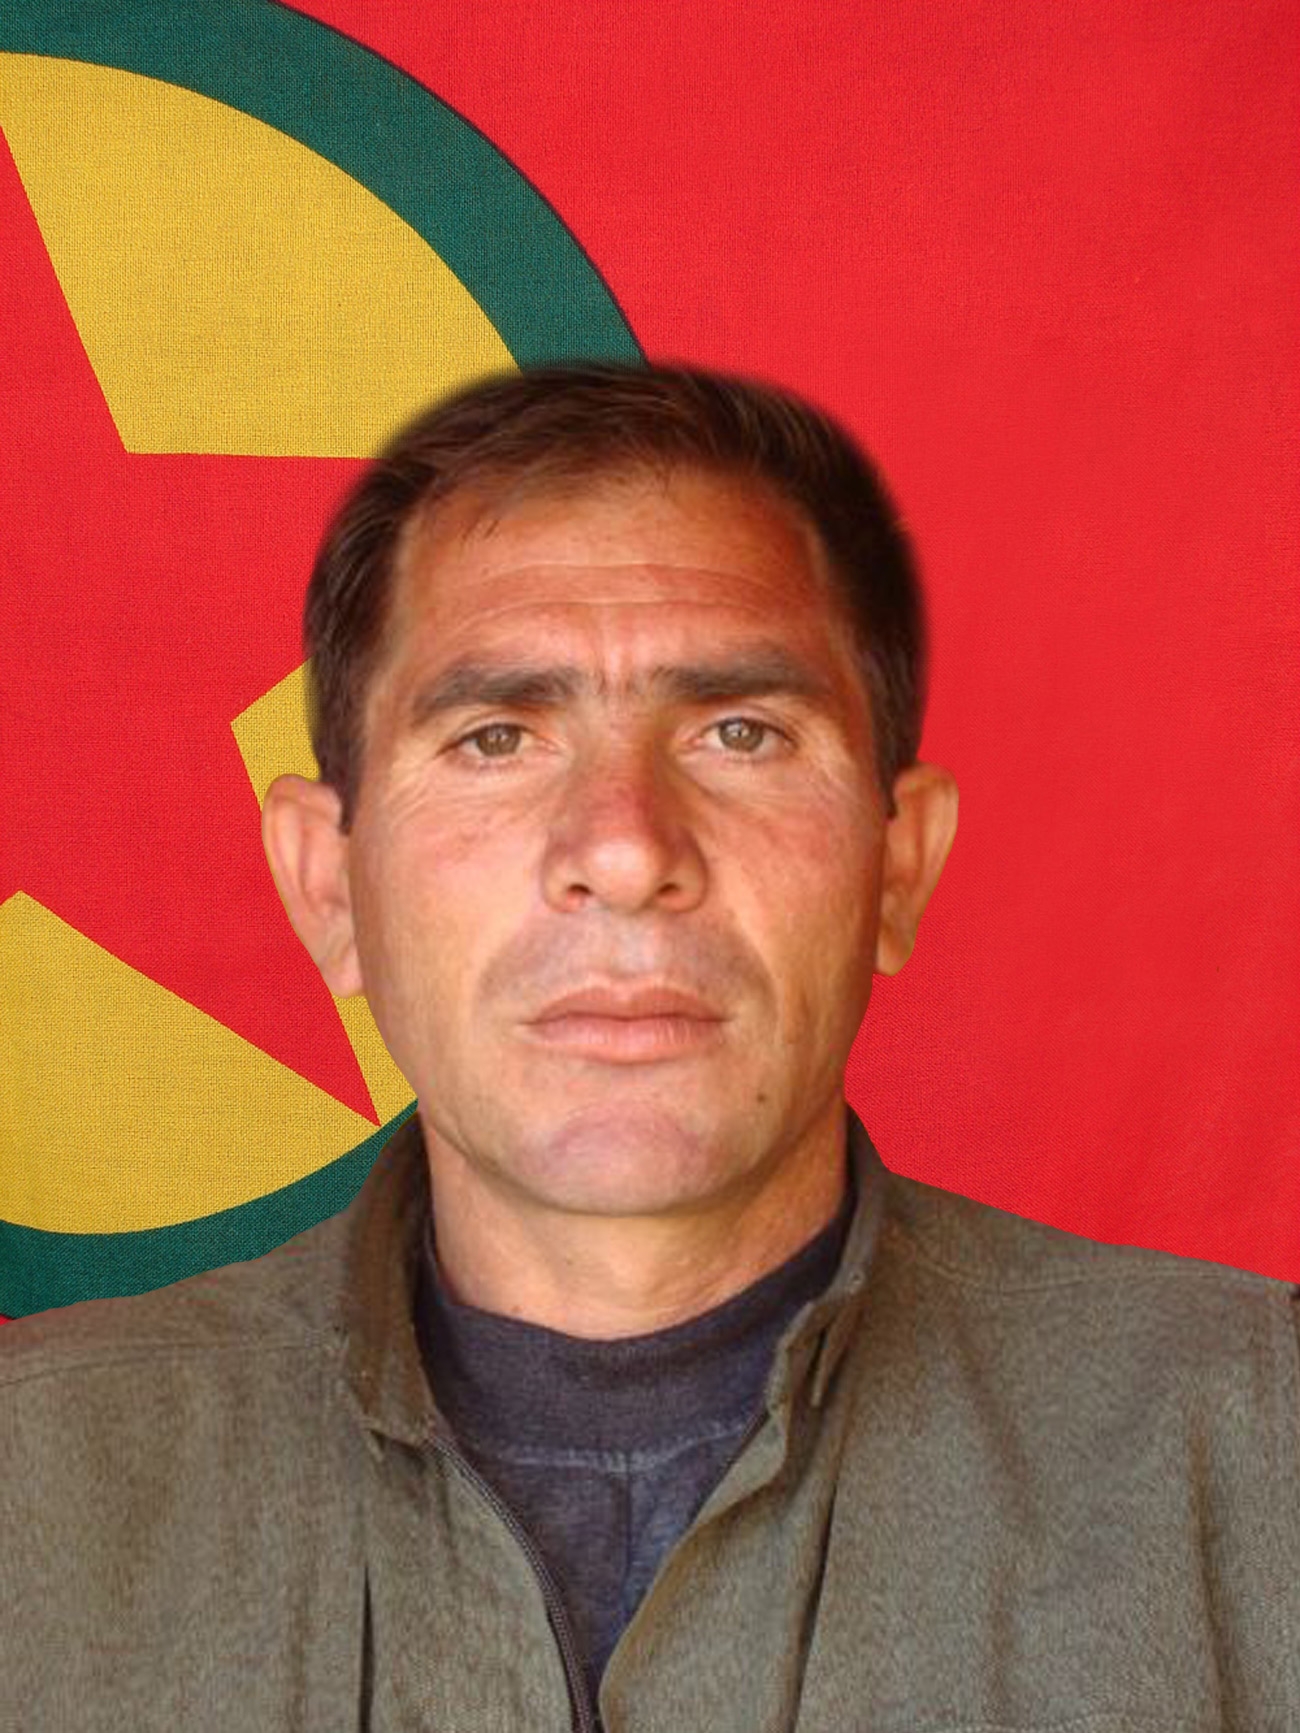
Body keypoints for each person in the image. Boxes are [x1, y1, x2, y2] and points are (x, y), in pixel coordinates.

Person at [2, 364, 1297, 1732]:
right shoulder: (32, 1481)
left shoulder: (1260, 1452)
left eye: (741, 732)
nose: (624, 848)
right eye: (497, 737)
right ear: (330, 888)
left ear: (899, 865)